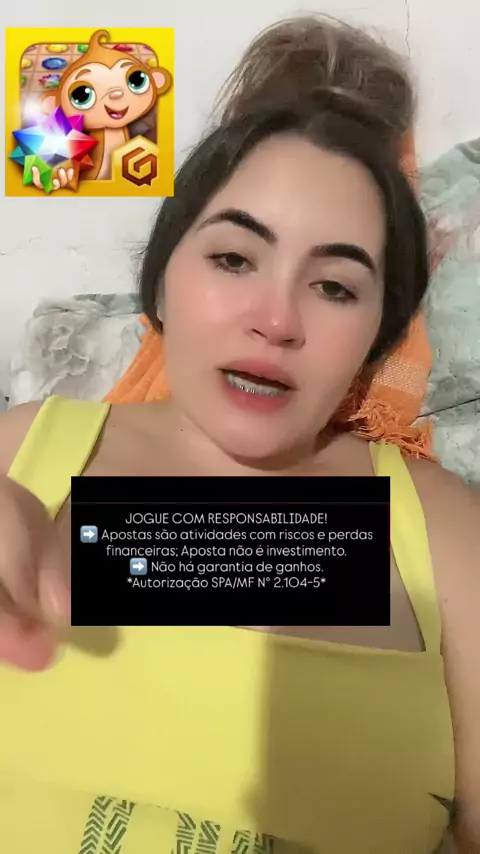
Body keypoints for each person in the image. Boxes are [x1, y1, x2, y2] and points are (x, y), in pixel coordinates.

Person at [0, 15, 479, 854]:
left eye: (334, 286)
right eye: (233, 259)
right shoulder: (21, 451)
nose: (276, 320)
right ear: (162, 280)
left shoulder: (444, 534)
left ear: (378, 333)